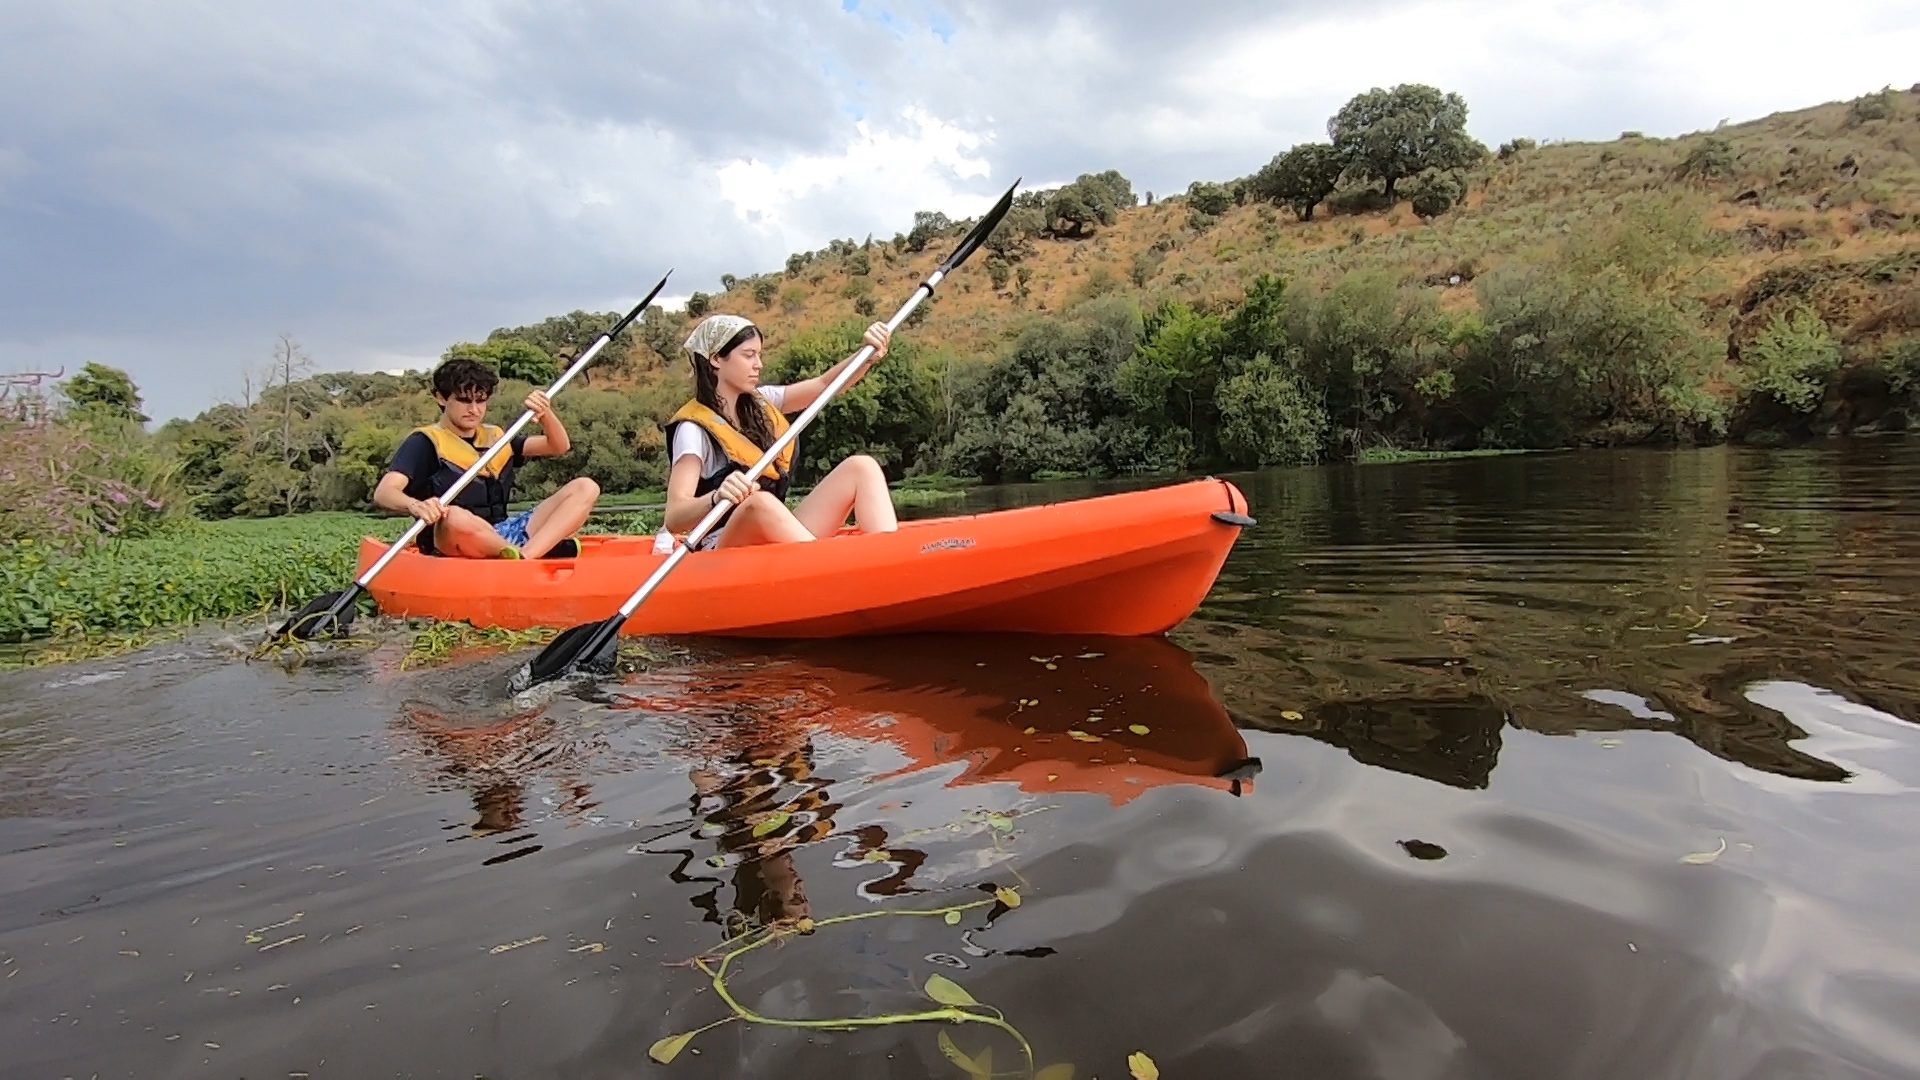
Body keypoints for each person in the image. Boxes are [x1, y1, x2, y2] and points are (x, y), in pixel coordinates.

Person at [662, 314, 898, 549]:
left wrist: (866, 357)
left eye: (759, 355)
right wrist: (716, 496)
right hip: (723, 549)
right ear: (716, 359)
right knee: (758, 504)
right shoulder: (693, 429)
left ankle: (890, 560)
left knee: (861, 467)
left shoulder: (763, 402)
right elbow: (674, 517)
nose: (758, 364)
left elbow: (825, 386)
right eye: (748, 355)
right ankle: (825, 568)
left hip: (776, 535)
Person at [374, 357, 600, 559]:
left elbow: (558, 446)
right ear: (441, 398)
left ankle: (525, 556)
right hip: (455, 540)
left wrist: (545, 414)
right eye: (464, 400)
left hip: (502, 531)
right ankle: (526, 553)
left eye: (480, 401)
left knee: (585, 487)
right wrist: (416, 505)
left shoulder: (496, 437)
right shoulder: (424, 442)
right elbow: (385, 492)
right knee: (453, 515)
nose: (474, 410)